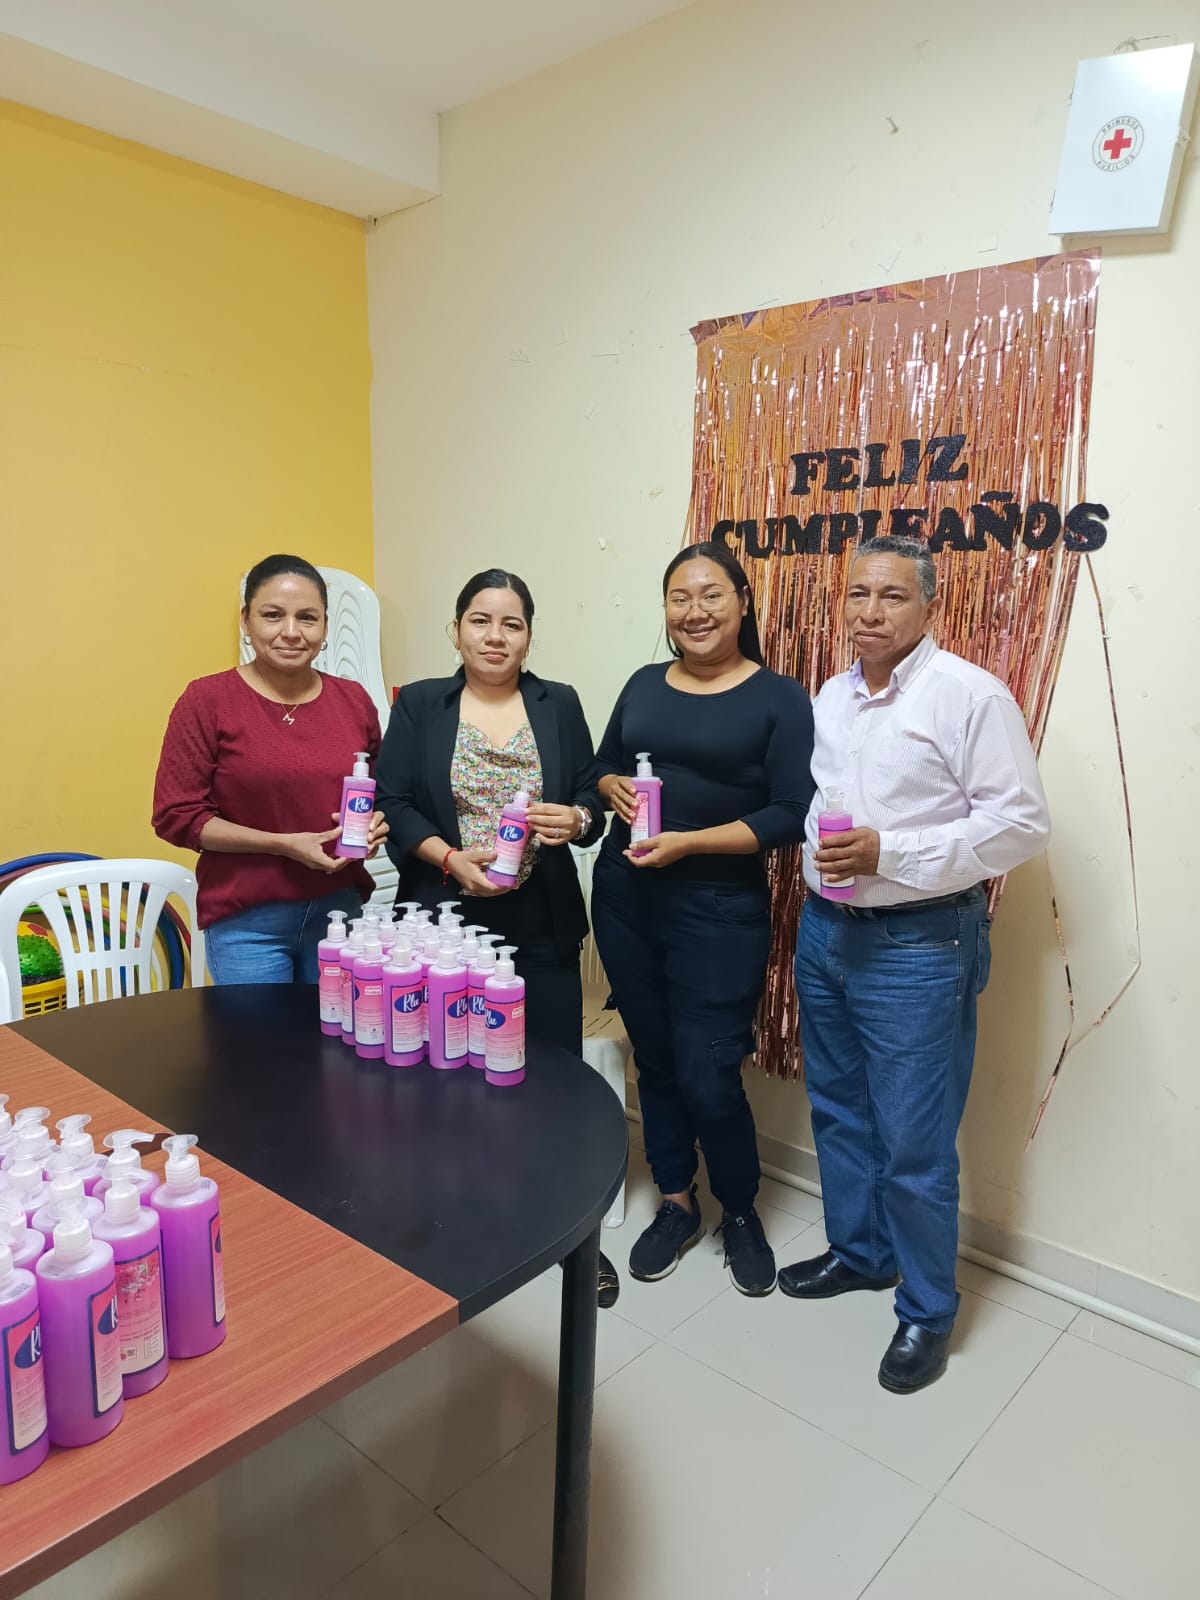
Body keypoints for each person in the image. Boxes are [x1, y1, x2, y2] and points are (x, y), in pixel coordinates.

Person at [780, 535, 1050, 1394]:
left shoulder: (969, 695)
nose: (869, 611)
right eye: (857, 593)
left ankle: (928, 1309)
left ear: (930, 606)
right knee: (839, 1109)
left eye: (892, 596)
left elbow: (1020, 825)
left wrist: (889, 853)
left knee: (914, 1143)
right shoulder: (832, 695)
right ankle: (862, 1253)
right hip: (826, 931)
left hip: (922, 942)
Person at [374, 568, 620, 1308]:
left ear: (529, 636)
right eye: (480, 621)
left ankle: (572, 1234)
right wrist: (450, 859)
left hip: (540, 916)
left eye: (511, 624)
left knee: (553, 1075)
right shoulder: (421, 703)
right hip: (444, 919)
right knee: (443, 1076)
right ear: (456, 630)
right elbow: (394, 801)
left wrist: (578, 819)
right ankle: (458, 1220)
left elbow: (590, 793)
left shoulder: (558, 702)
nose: (495, 636)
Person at [592, 541, 814, 1297]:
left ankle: (739, 1210)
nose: (695, 611)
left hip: (718, 908)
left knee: (709, 1070)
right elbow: (602, 765)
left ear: (742, 603)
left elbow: (791, 813)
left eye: (712, 595)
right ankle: (677, 1201)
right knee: (655, 1059)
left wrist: (690, 843)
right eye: (680, 597)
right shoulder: (642, 683)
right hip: (626, 897)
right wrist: (612, 786)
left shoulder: (779, 697)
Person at [153, 553, 388, 983]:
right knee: (259, 1030)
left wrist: (374, 826)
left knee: (341, 1028)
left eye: (308, 618)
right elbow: (177, 816)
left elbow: (378, 791)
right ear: (246, 621)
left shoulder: (353, 700)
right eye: (273, 615)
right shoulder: (207, 701)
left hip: (340, 912)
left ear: (325, 626)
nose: (292, 632)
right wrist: (282, 845)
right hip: (248, 921)